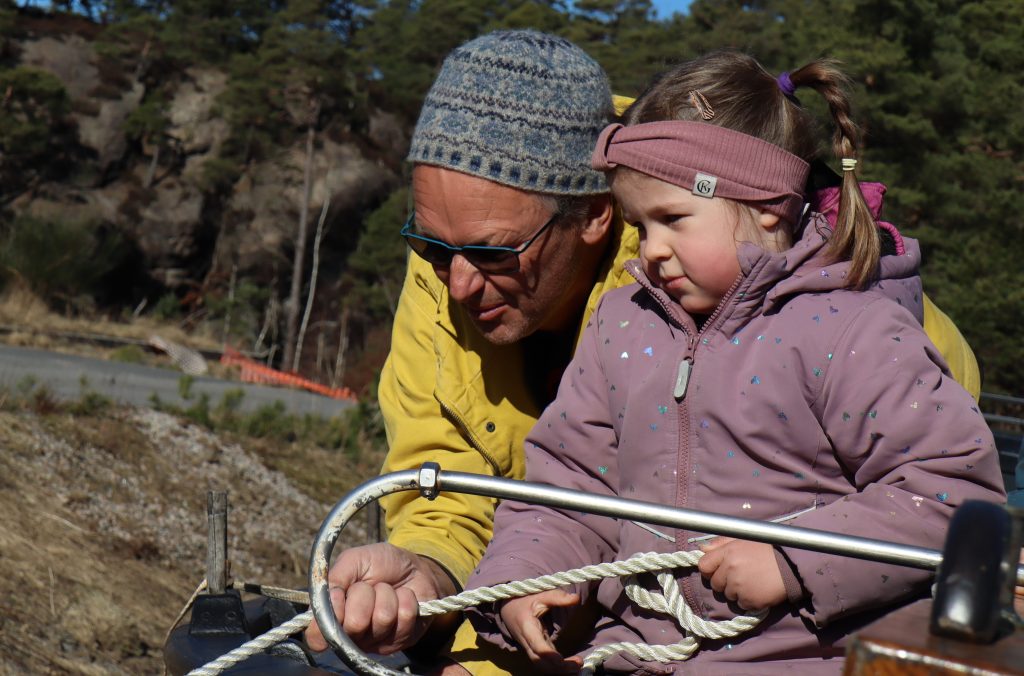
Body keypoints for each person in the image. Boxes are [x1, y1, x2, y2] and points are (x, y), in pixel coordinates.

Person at [304, 32, 987, 675]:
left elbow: (941, 492)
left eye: (491, 252)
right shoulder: (607, 316)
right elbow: (551, 489)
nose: (456, 280)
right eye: (433, 246)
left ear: (599, 214)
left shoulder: (850, 321)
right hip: (626, 649)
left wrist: (795, 557)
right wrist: (464, 580)